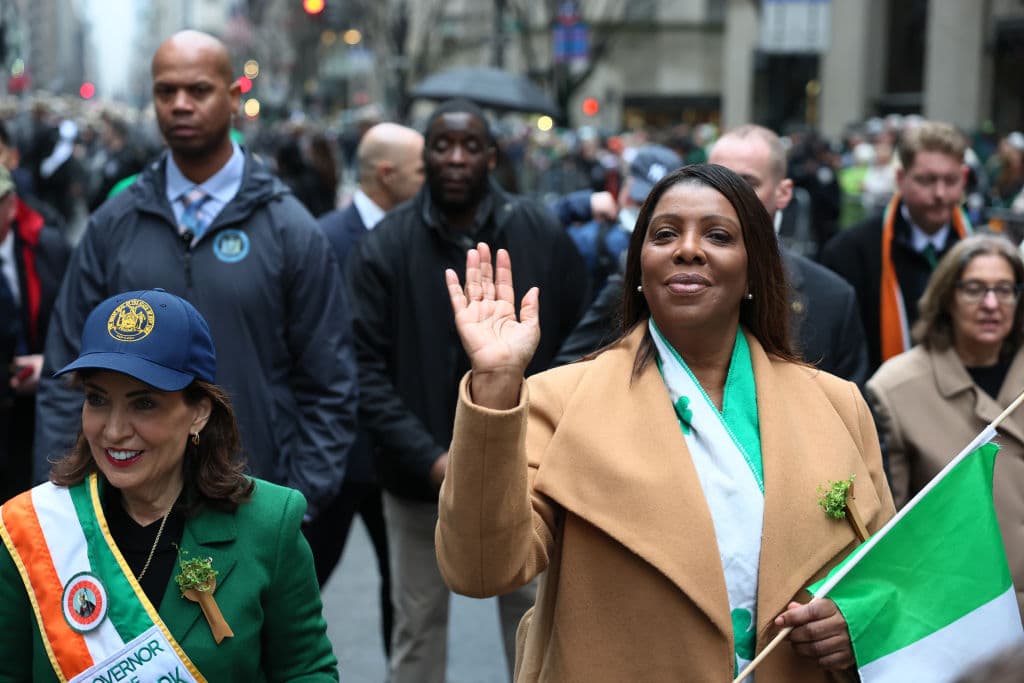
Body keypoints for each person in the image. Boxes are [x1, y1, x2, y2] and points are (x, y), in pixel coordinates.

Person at [436, 164, 895, 681]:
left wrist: (855, 622)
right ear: (638, 266)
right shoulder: (557, 403)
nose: (688, 249)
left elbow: (888, 580)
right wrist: (495, 385)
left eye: (718, 235)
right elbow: (479, 570)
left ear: (753, 271)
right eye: (665, 234)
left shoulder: (838, 405)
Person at [33, 31, 357, 536]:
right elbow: (64, 371)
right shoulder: (113, 224)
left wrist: (298, 505)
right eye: (166, 91)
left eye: (199, 90)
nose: (180, 104)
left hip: (252, 509)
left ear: (233, 97)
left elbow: (329, 381)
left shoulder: (291, 229)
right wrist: (63, 501)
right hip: (123, 520)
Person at [345, 98, 589, 683]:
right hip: (416, 481)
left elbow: (580, 343)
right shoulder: (386, 245)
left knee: (533, 629)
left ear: (492, 155)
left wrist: (529, 442)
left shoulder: (540, 231)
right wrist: (432, 461)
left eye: (469, 145)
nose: (456, 157)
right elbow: (362, 368)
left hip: (528, 478)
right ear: (425, 157)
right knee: (417, 632)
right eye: (442, 145)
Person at [0, 289, 337, 681]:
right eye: (97, 399)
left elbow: (306, 671)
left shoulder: (269, 524)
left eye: (144, 403)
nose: (113, 430)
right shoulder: (33, 530)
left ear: (198, 413)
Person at [309, 121, 425, 654]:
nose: (432, 178)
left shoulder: (421, 238)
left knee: (405, 601)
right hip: (332, 455)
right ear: (386, 173)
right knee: (299, 586)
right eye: (421, 169)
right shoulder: (322, 239)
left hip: (397, 453)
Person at [866, 234, 1024, 616]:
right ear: (945, 298)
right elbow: (889, 535)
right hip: (962, 617)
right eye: (974, 289)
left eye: (1005, 290)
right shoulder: (897, 390)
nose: (991, 304)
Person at [708, 125, 869, 385]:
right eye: (715, 182)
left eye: (747, 183)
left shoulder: (833, 299)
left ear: (783, 193)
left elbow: (849, 416)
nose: (729, 197)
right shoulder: (665, 282)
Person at [821, 121, 971, 376]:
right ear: (901, 179)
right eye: (926, 180)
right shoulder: (849, 252)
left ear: (964, 177)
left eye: (951, 180)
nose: (940, 193)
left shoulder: (980, 252)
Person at [0, 165, 70, 502]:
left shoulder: (46, 246)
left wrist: (51, 365)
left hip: (37, 404)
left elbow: (72, 322)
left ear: (10, 205)